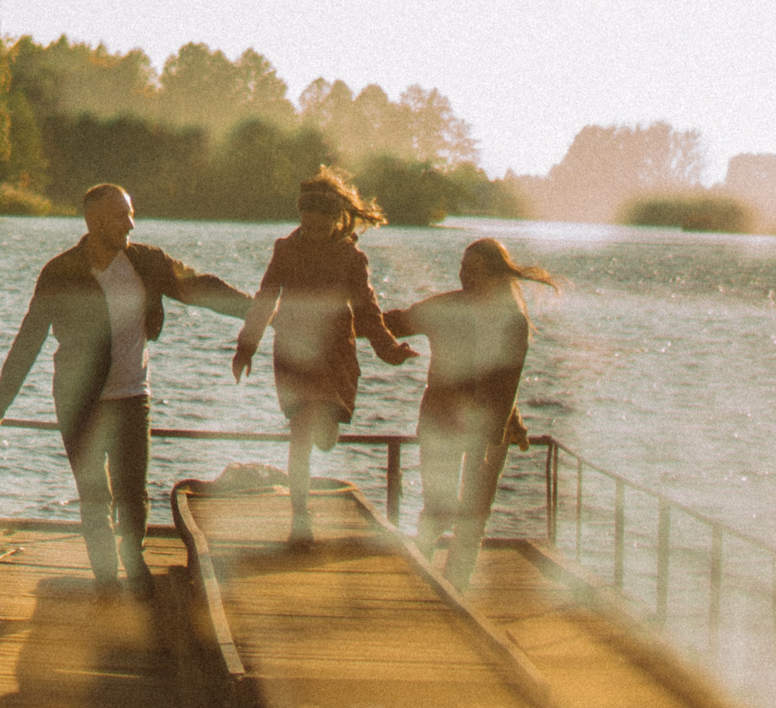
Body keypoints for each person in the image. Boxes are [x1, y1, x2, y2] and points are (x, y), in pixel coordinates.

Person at [0, 184, 251, 596]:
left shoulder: (147, 262)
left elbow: (198, 286)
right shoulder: (61, 272)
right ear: (95, 222)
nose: (131, 223)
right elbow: (28, 339)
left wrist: (257, 310)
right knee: (93, 492)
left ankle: (133, 557)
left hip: (131, 394)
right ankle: (105, 576)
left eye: (131, 214)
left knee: (132, 490)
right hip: (77, 397)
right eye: (122, 216)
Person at [230, 167, 415, 545]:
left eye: (318, 226)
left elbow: (367, 310)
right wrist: (246, 346)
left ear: (336, 220)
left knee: (325, 436)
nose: (310, 232)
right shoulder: (286, 249)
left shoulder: (351, 258)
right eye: (305, 224)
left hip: (334, 353)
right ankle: (300, 520)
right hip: (296, 352)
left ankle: (324, 433)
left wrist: (389, 349)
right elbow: (266, 298)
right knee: (301, 432)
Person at [386, 236, 553, 584]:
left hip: (490, 429)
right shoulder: (447, 307)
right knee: (438, 508)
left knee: (473, 517)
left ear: (496, 275)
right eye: (462, 268)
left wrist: (505, 427)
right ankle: (420, 579)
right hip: (441, 418)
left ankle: (457, 587)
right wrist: (355, 325)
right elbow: (398, 322)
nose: (464, 276)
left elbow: (503, 384)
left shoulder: (513, 321)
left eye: (474, 270)